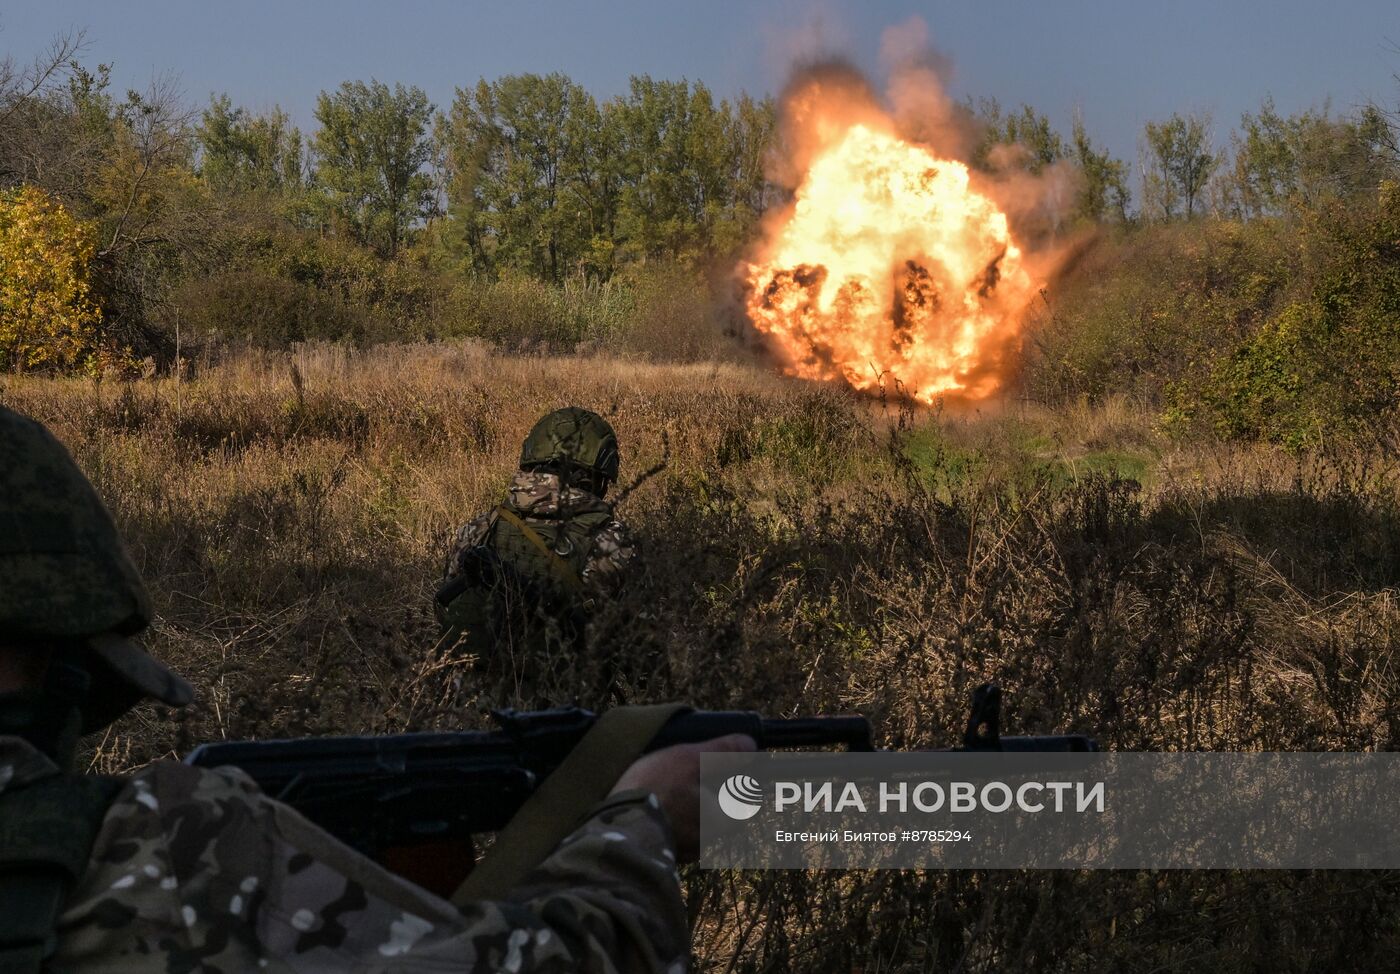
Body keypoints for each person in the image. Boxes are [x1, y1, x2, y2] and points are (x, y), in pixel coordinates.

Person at [0, 405, 752, 972]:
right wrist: (643, 824)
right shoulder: (156, 856)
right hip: (580, 717)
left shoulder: (481, 527)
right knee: (841, 804)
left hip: (470, 691)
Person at [437, 407, 634, 671]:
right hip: (564, 704)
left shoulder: (481, 527)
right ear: (596, 476)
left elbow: (451, 609)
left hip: (471, 699)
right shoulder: (611, 540)